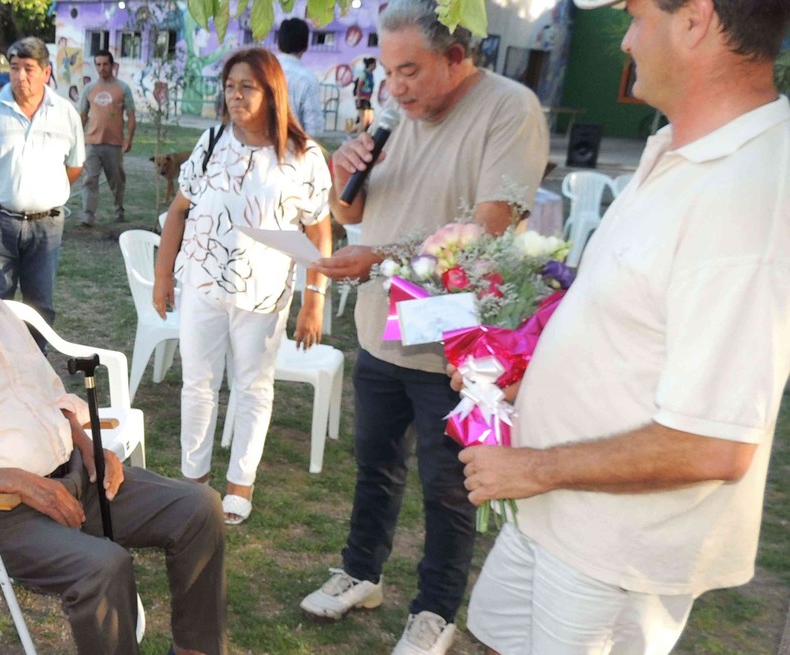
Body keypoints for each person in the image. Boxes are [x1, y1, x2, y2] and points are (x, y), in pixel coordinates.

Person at [460, 0, 790, 652]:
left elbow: (713, 444)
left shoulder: (746, 193)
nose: (626, 42)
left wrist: (534, 468)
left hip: (609, 552)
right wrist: (527, 376)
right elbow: (634, 328)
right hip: (558, 517)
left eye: (636, 18)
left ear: (695, 20)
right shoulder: (682, 151)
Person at [0, 193, 227, 655]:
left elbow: (49, 398)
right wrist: (18, 482)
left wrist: (88, 447)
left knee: (198, 507)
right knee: (103, 566)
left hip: (69, 479)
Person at [299, 0, 549, 652]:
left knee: (448, 487)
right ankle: (360, 573)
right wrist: (345, 175)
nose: (396, 87)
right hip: (382, 330)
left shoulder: (509, 109)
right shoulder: (395, 118)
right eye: (388, 72)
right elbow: (352, 217)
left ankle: (435, 610)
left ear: (456, 57)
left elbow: (487, 230)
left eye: (409, 70)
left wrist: (379, 258)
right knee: (375, 468)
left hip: (455, 347)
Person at [153, 47, 333, 526]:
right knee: (198, 383)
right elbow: (178, 212)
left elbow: (320, 231)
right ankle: (194, 482)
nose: (235, 95)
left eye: (246, 87)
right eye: (230, 86)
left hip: (264, 294)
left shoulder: (303, 156)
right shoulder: (212, 141)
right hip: (202, 284)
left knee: (252, 386)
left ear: (271, 92)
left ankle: (240, 485)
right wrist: (163, 275)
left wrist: (314, 300)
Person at [0, 36, 85, 332]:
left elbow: (74, 166)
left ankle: (36, 359)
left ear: (46, 72)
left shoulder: (65, 113)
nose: (20, 76)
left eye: (29, 69)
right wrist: (6, 191)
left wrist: (42, 196)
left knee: (40, 303)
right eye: (14, 67)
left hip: (47, 225)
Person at [76, 49, 136, 227]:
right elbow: (82, 115)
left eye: (105, 64)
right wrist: (77, 138)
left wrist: (129, 139)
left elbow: (131, 116)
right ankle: (88, 216)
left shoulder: (123, 89)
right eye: (98, 64)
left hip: (114, 144)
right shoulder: (89, 89)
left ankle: (119, 210)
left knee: (117, 180)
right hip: (92, 143)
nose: (102, 68)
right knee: (90, 179)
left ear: (112, 65)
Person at [275, 17, 325, 136]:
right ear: (305, 46)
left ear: (279, 43)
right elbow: (314, 129)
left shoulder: (261, 71)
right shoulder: (308, 79)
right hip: (292, 145)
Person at [355, 57, 376, 131]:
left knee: (367, 120)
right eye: (374, 64)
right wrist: (358, 99)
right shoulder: (364, 74)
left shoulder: (371, 75)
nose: (375, 66)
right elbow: (359, 87)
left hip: (367, 99)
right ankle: (360, 135)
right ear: (370, 64)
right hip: (362, 99)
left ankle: (349, 132)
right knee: (363, 121)